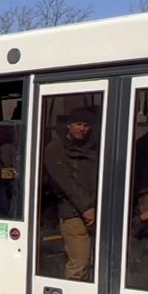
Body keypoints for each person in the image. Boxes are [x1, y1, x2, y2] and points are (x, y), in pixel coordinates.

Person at [42, 108, 98, 281]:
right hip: (72, 214)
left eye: (86, 125)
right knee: (79, 264)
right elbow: (67, 184)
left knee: (93, 263)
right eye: (78, 124)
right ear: (68, 126)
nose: (82, 129)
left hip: (94, 210)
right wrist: (86, 208)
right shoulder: (55, 149)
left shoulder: (92, 148)